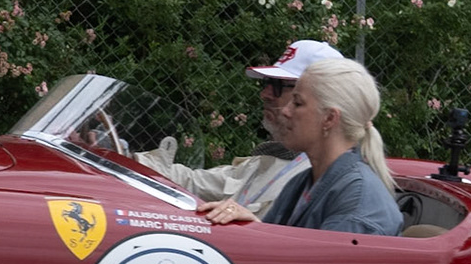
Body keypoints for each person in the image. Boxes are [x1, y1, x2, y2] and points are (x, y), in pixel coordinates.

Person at [135, 40, 343, 217]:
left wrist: (258, 229)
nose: (265, 94)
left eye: (278, 86)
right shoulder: (267, 161)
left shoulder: (326, 178)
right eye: (267, 83)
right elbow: (193, 182)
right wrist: (127, 157)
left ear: (324, 109)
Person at [200, 57, 401, 236]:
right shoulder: (303, 182)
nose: (286, 111)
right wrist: (255, 229)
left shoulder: (357, 203)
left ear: (329, 118)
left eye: (297, 103)